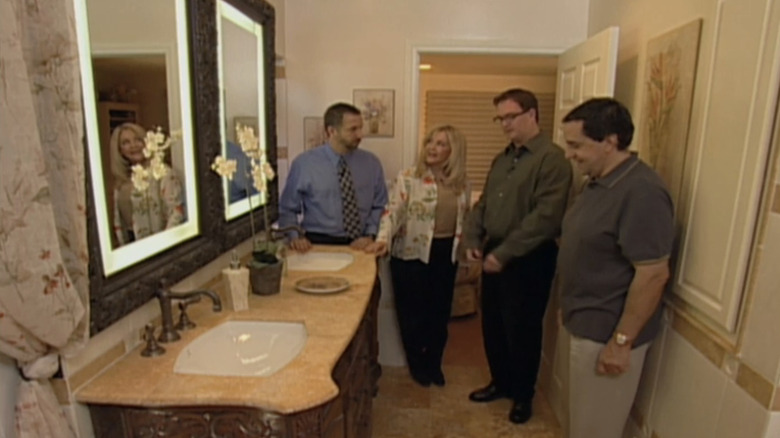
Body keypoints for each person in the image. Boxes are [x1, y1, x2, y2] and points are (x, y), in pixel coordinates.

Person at [558, 98, 674, 438]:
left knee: (595, 430)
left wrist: (621, 342)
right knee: (579, 425)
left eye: (576, 145)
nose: (569, 154)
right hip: (584, 324)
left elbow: (653, 274)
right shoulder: (597, 182)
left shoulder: (642, 192)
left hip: (606, 335)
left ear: (609, 142)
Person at [463, 88, 572, 424]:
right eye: (500, 118)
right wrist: (473, 238)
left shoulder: (552, 159)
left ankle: (523, 396)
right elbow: (483, 204)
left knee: (521, 329)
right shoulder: (502, 159)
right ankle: (501, 382)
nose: (504, 124)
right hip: (495, 250)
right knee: (493, 325)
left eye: (510, 117)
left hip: (530, 257)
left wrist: (505, 254)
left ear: (532, 115)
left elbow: (546, 217)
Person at [364, 125, 470, 387]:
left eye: (441, 143)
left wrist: (467, 252)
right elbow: (393, 212)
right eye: (430, 141)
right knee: (412, 315)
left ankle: (434, 363)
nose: (432, 147)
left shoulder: (462, 183)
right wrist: (382, 239)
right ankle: (417, 364)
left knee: (439, 314)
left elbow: (465, 220)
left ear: (454, 151)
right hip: (410, 255)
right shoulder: (409, 177)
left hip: (445, 254)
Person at [279, 103, 388, 251]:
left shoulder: (371, 163)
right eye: (353, 129)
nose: (360, 135)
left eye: (360, 128)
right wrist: (295, 237)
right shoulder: (304, 164)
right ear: (331, 131)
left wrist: (370, 234)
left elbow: (380, 205)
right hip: (318, 243)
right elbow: (287, 208)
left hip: (362, 244)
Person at [110, 122, 185, 246]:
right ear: (120, 150)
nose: (133, 146)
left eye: (138, 140)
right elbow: (119, 223)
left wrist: (163, 246)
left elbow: (176, 213)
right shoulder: (120, 182)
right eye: (126, 142)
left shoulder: (162, 173)